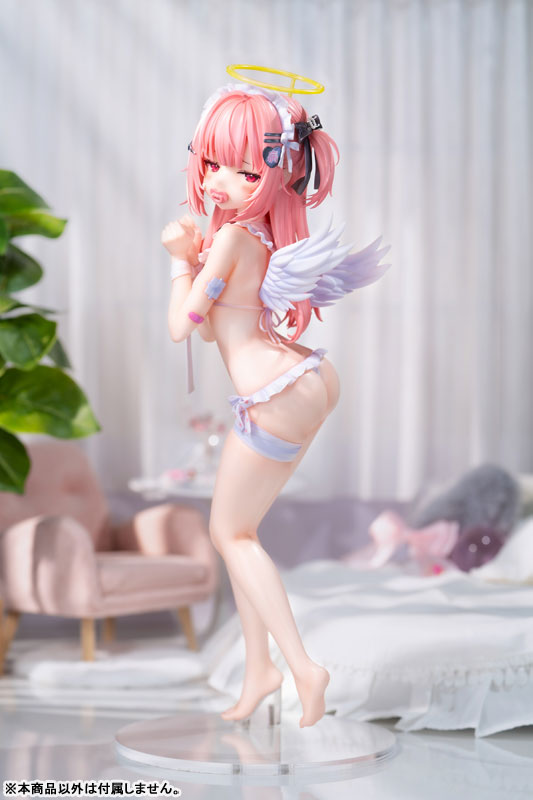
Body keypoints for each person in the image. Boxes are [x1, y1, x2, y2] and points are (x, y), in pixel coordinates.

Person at [162, 81, 389, 728]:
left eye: (242, 171)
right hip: (305, 378)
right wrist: (197, 266)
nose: (218, 182)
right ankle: (258, 670)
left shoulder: (233, 240)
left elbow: (181, 327)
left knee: (229, 534)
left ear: (274, 175)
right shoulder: (257, 237)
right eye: (211, 164)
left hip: (277, 390)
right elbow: (214, 331)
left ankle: (301, 667)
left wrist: (178, 262)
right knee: (240, 532)